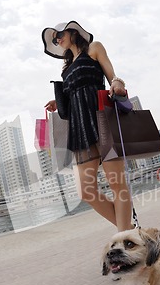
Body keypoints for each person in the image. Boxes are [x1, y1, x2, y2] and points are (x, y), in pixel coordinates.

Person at [42, 20, 133, 232]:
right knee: (86, 191)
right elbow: (72, 92)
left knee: (117, 185)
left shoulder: (94, 48)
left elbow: (113, 76)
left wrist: (118, 84)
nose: (57, 39)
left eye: (59, 34)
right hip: (80, 128)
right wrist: (58, 101)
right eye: (55, 39)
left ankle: (124, 238)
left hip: (102, 120)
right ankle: (130, 233)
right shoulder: (66, 68)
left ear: (73, 31)